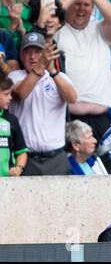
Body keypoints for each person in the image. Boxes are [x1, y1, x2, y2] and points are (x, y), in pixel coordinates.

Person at [54, 0, 111, 142]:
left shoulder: (100, 29)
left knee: (104, 168)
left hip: (101, 120)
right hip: (68, 117)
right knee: (73, 169)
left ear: (93, 8)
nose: (81, 8)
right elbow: (52, 14)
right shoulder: (57, 30)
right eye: (77, 4)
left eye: (86, 5)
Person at [8, 32, 77, 176]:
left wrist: (51, 70)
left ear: (46, 55)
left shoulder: (59, 77)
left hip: (56, 157)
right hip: (25, 158)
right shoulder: (14, 77)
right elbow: (21, 93)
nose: (33, 57)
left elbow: (72, 98)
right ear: (21, 55)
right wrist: (40, 67)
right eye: (28, 52)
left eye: (38, 52)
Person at [0, 71, 28, 177]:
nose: (10, 98)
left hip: (7, 184)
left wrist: (19, 168)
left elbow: (21, 152)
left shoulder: (11, 120)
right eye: (6, 94)